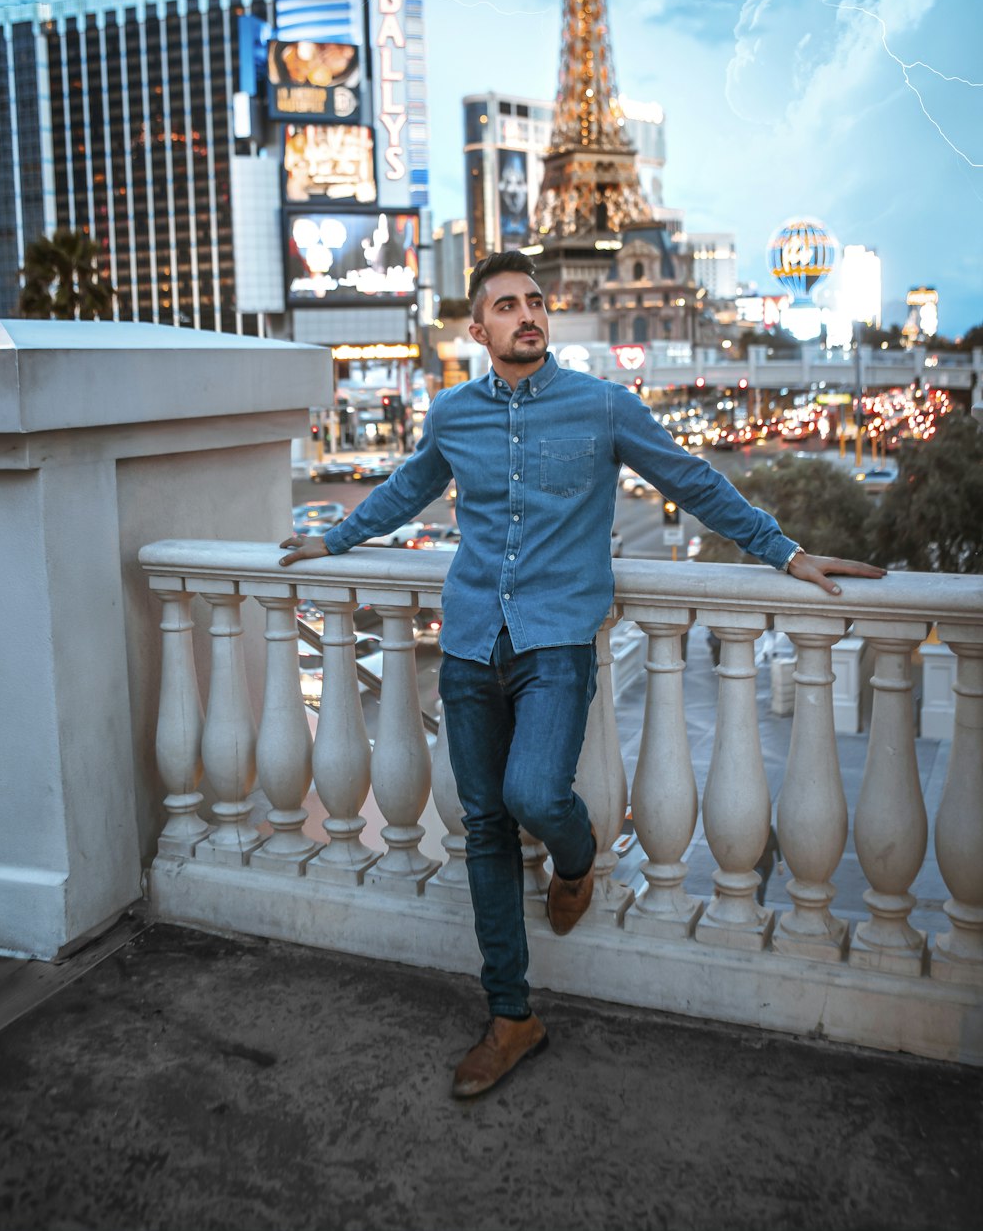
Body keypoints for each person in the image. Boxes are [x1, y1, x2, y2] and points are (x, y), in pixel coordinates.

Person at [278, 250, 885, 1099]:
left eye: (535, 302)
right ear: (476, 328)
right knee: (485, 827)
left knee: (533, 796)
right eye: (505, 306)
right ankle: (510, 1016)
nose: (526, 315)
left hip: (557, 641)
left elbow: (693, 479)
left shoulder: (604, 405)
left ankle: (574, 864)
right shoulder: (453, 414)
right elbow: (405, 490)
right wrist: (330, 540)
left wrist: (782, 550)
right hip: (468, 643)